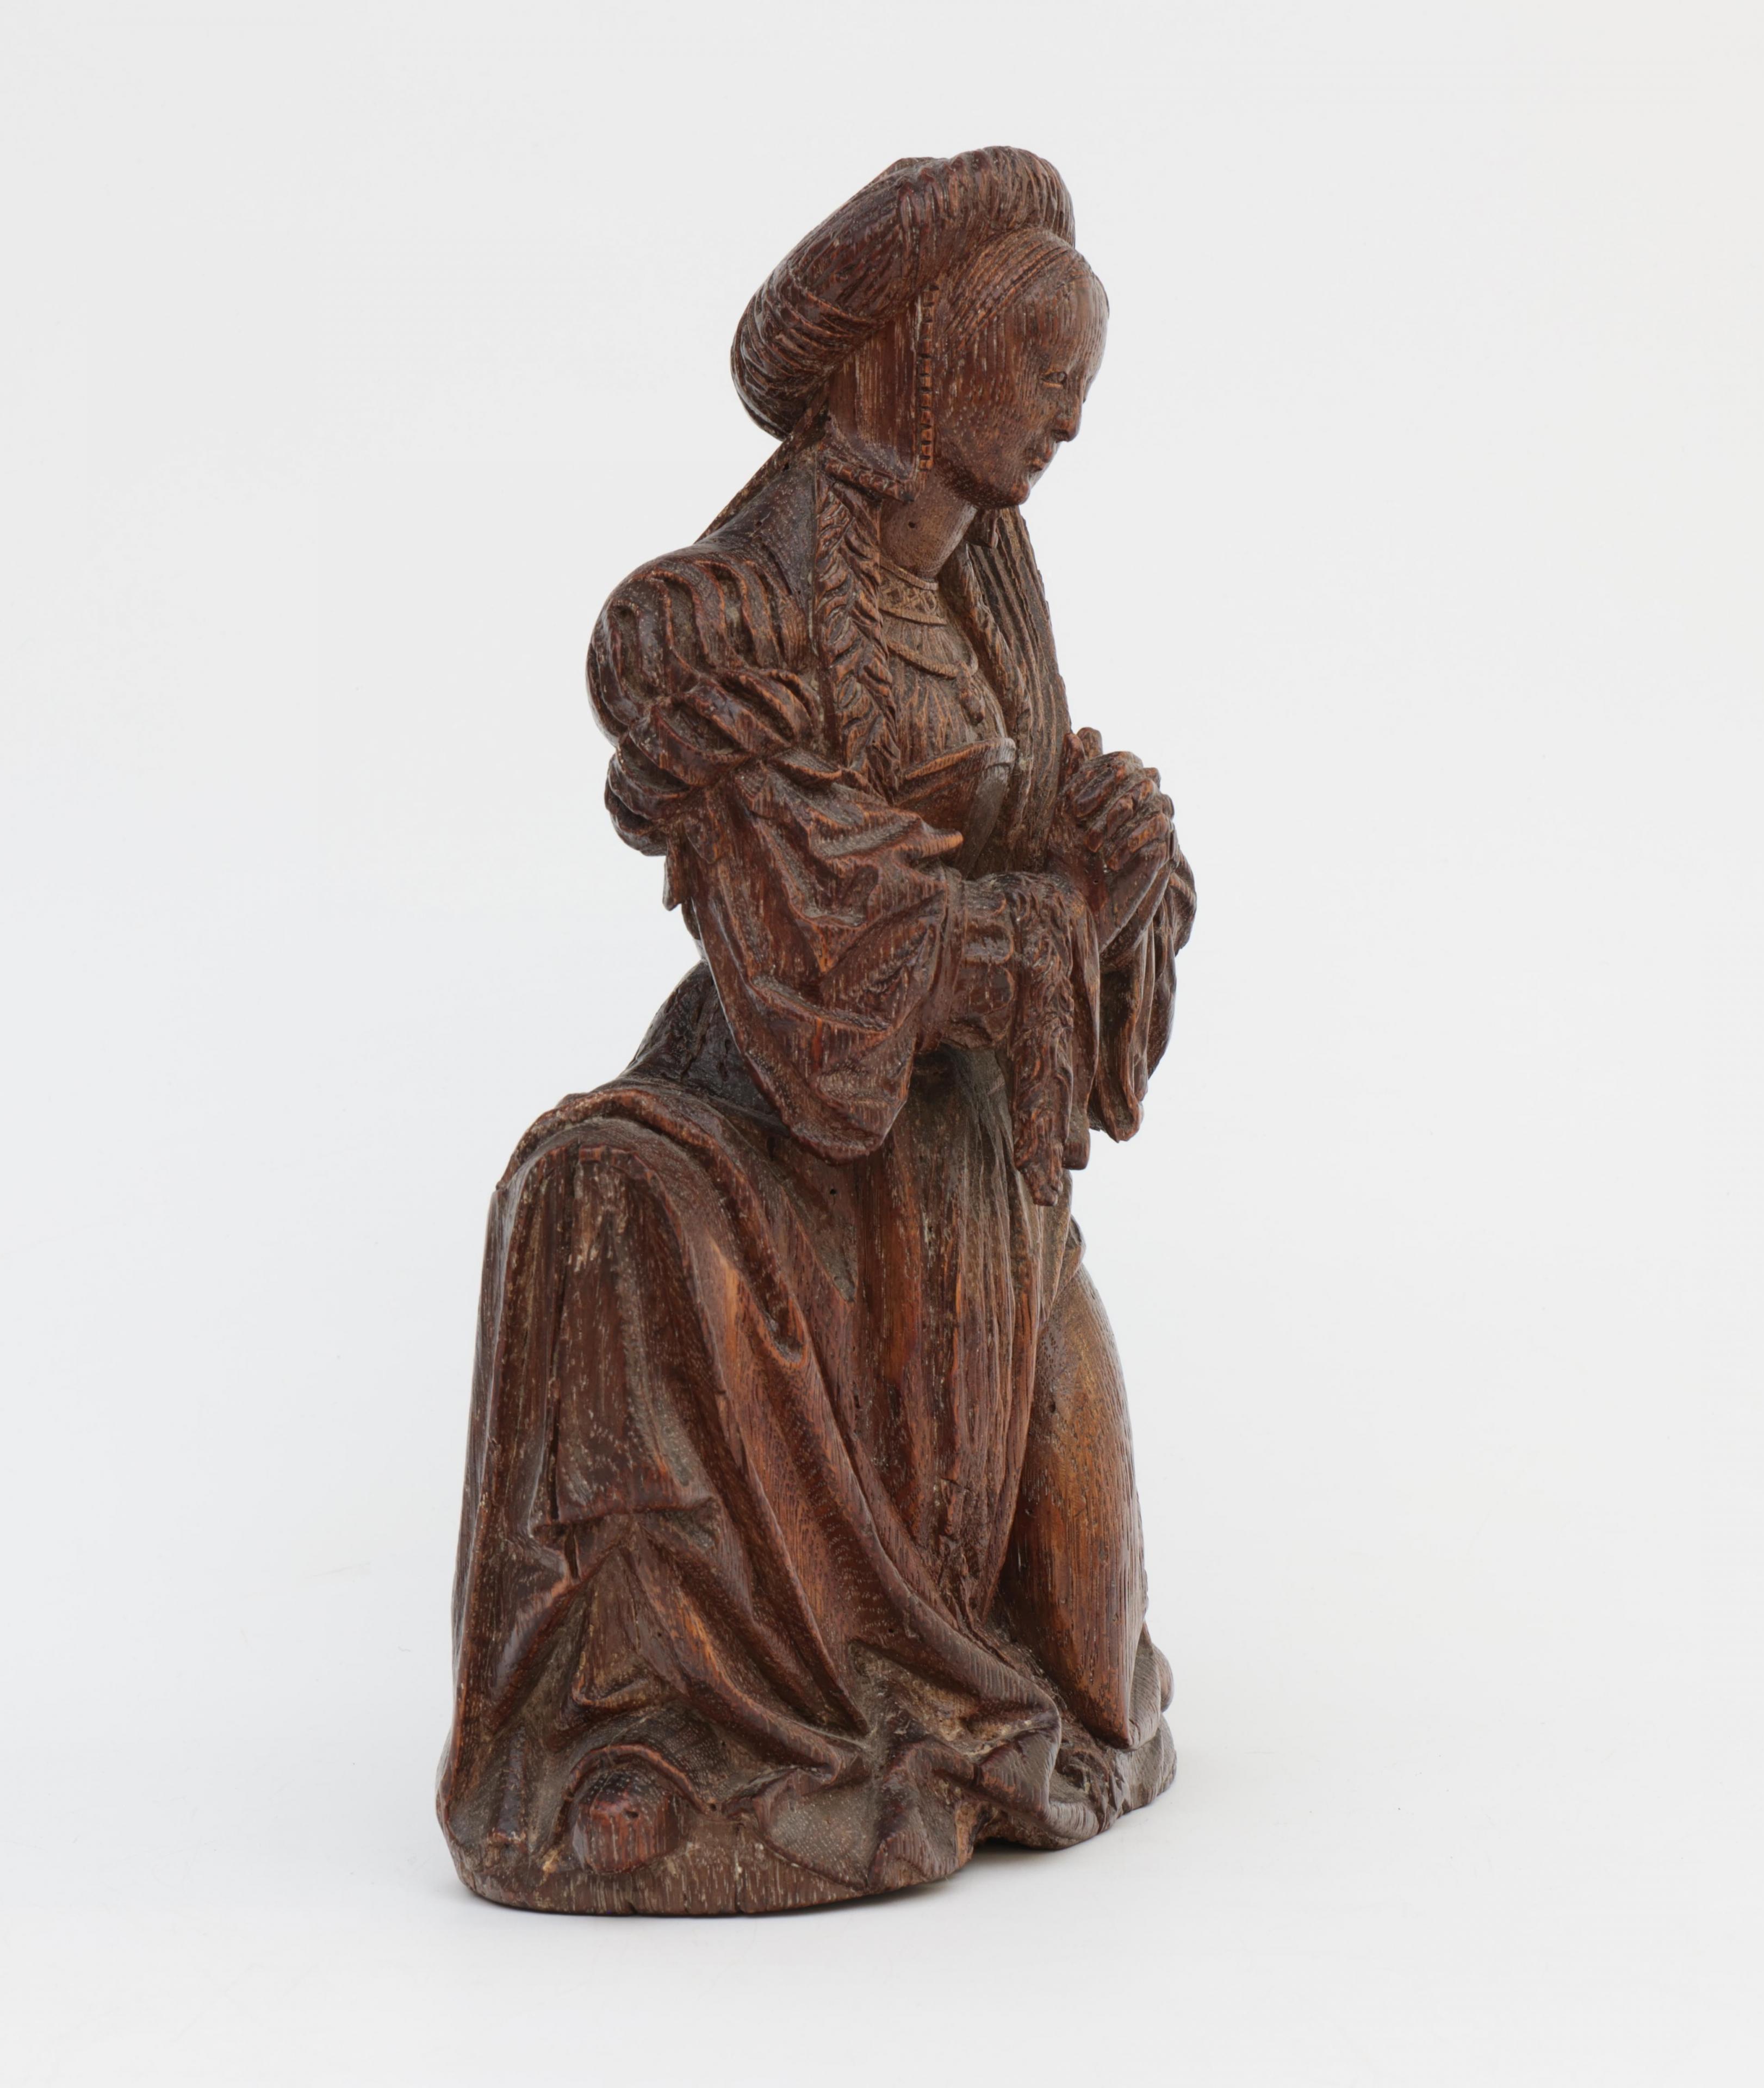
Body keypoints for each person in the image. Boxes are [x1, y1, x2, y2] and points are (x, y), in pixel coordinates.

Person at [439, 147, 1195, 1914]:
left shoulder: (988, 581)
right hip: (777, 1128)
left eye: (1082, 382)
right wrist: (1046, 911)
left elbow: (1032, 867)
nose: (1069, 421)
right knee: (600, 1196)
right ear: (931, 351)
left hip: (971, 1159)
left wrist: (1124, 869)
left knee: (1090, 1645)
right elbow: (822, 945)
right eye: (1042, 370)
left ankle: (956, 1662)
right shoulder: (720, 619)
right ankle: (699, 1730)